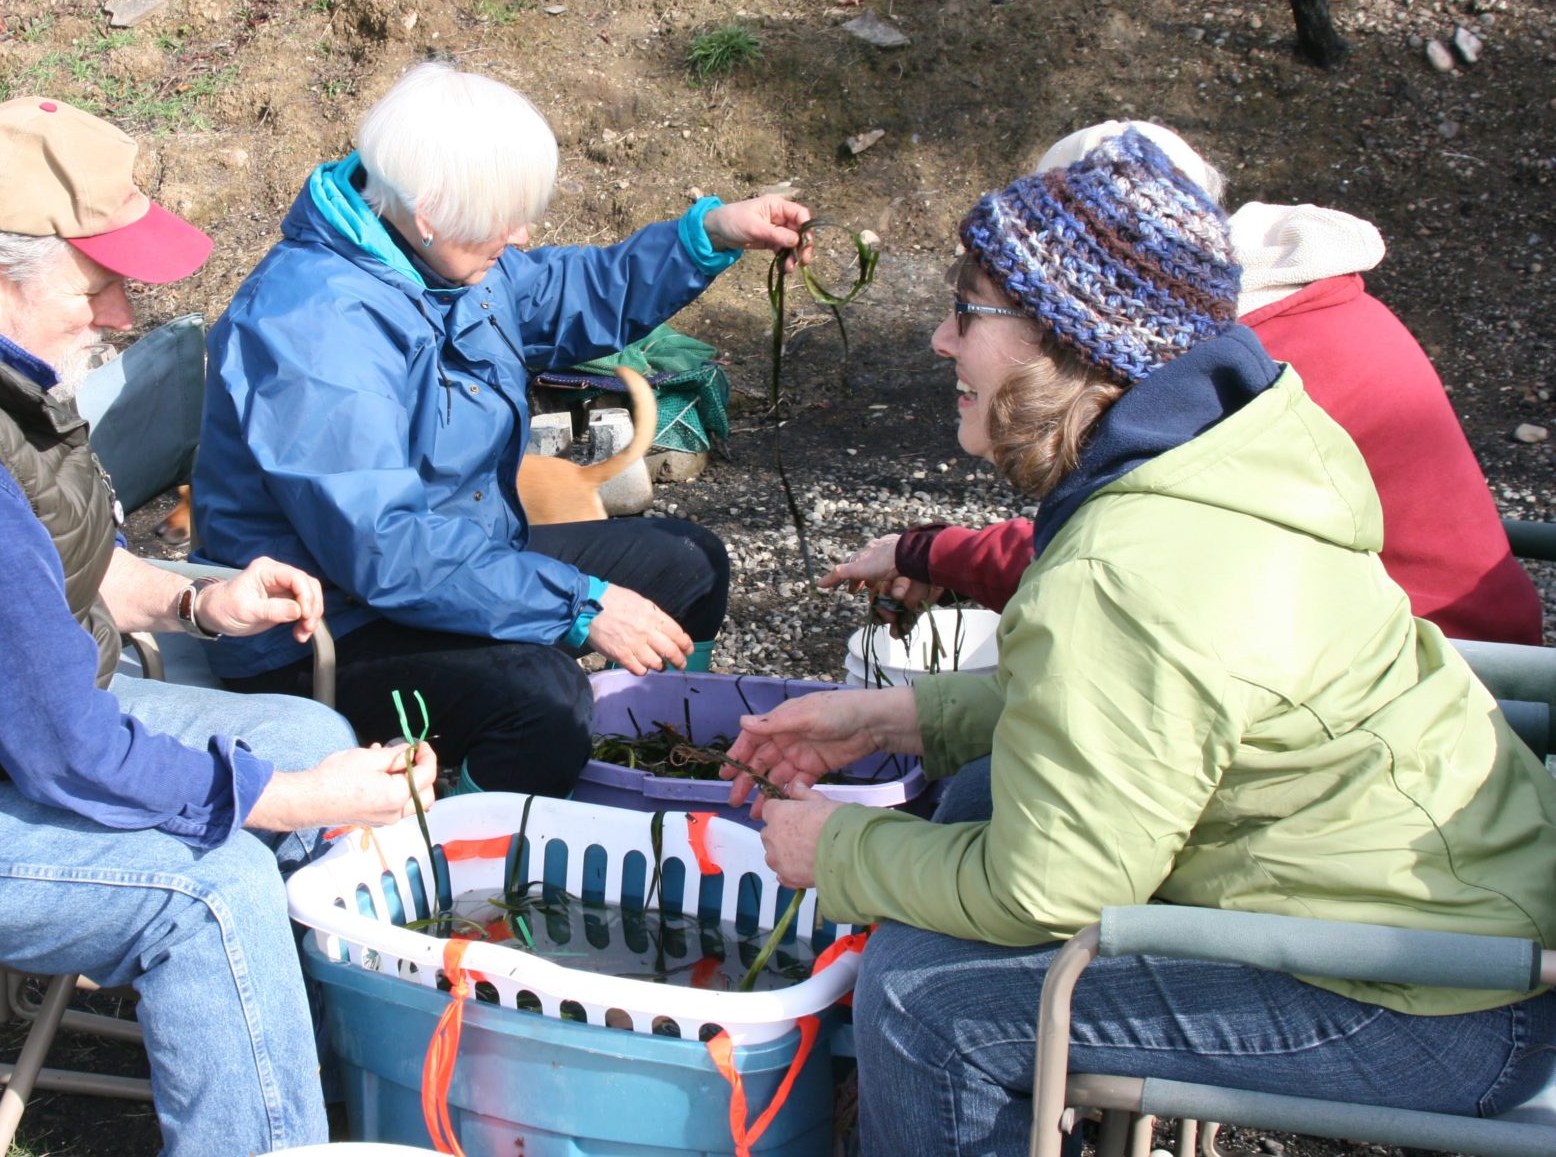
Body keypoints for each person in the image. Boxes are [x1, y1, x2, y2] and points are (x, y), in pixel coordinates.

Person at [723, 131, 1556, 1155]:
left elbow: (1047, 888)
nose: (941, 341)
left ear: (1072, 342)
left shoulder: (1123, 566)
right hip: (1455, 914)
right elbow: (1144, 707)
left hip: (1436, 1003)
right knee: (985, 789)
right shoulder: (1226, 447)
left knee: (924, 1004)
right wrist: (902, 714)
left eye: (967, 312)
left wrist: (836, 848)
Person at [0, 96, 436, 1157]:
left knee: (312, 741)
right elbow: (66, 751)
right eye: (101, 287)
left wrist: (193, 602)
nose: (122, 317)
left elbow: (49, 563)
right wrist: (292, 805)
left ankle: (301, 1070)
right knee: (212, 885)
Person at [191, 61, 809, 797]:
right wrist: (578, 605)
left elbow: (574, 291)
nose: (520, 236)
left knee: (689, 562)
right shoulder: (312, 327)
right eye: (503, 219)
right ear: (430, 210)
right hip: (321, 630)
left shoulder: (445, 260)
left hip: (456, 566)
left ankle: (664, 771)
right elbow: (385, 549)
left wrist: (709, 234)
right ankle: (448, 858)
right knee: (543, 701)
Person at [839, 119, 1542, 646]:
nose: (944, 339)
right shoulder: (1287, 312)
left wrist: (930, 550)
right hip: (1384, 655)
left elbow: (1112, 560)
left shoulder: (1241, 374)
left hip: (1445, 679)